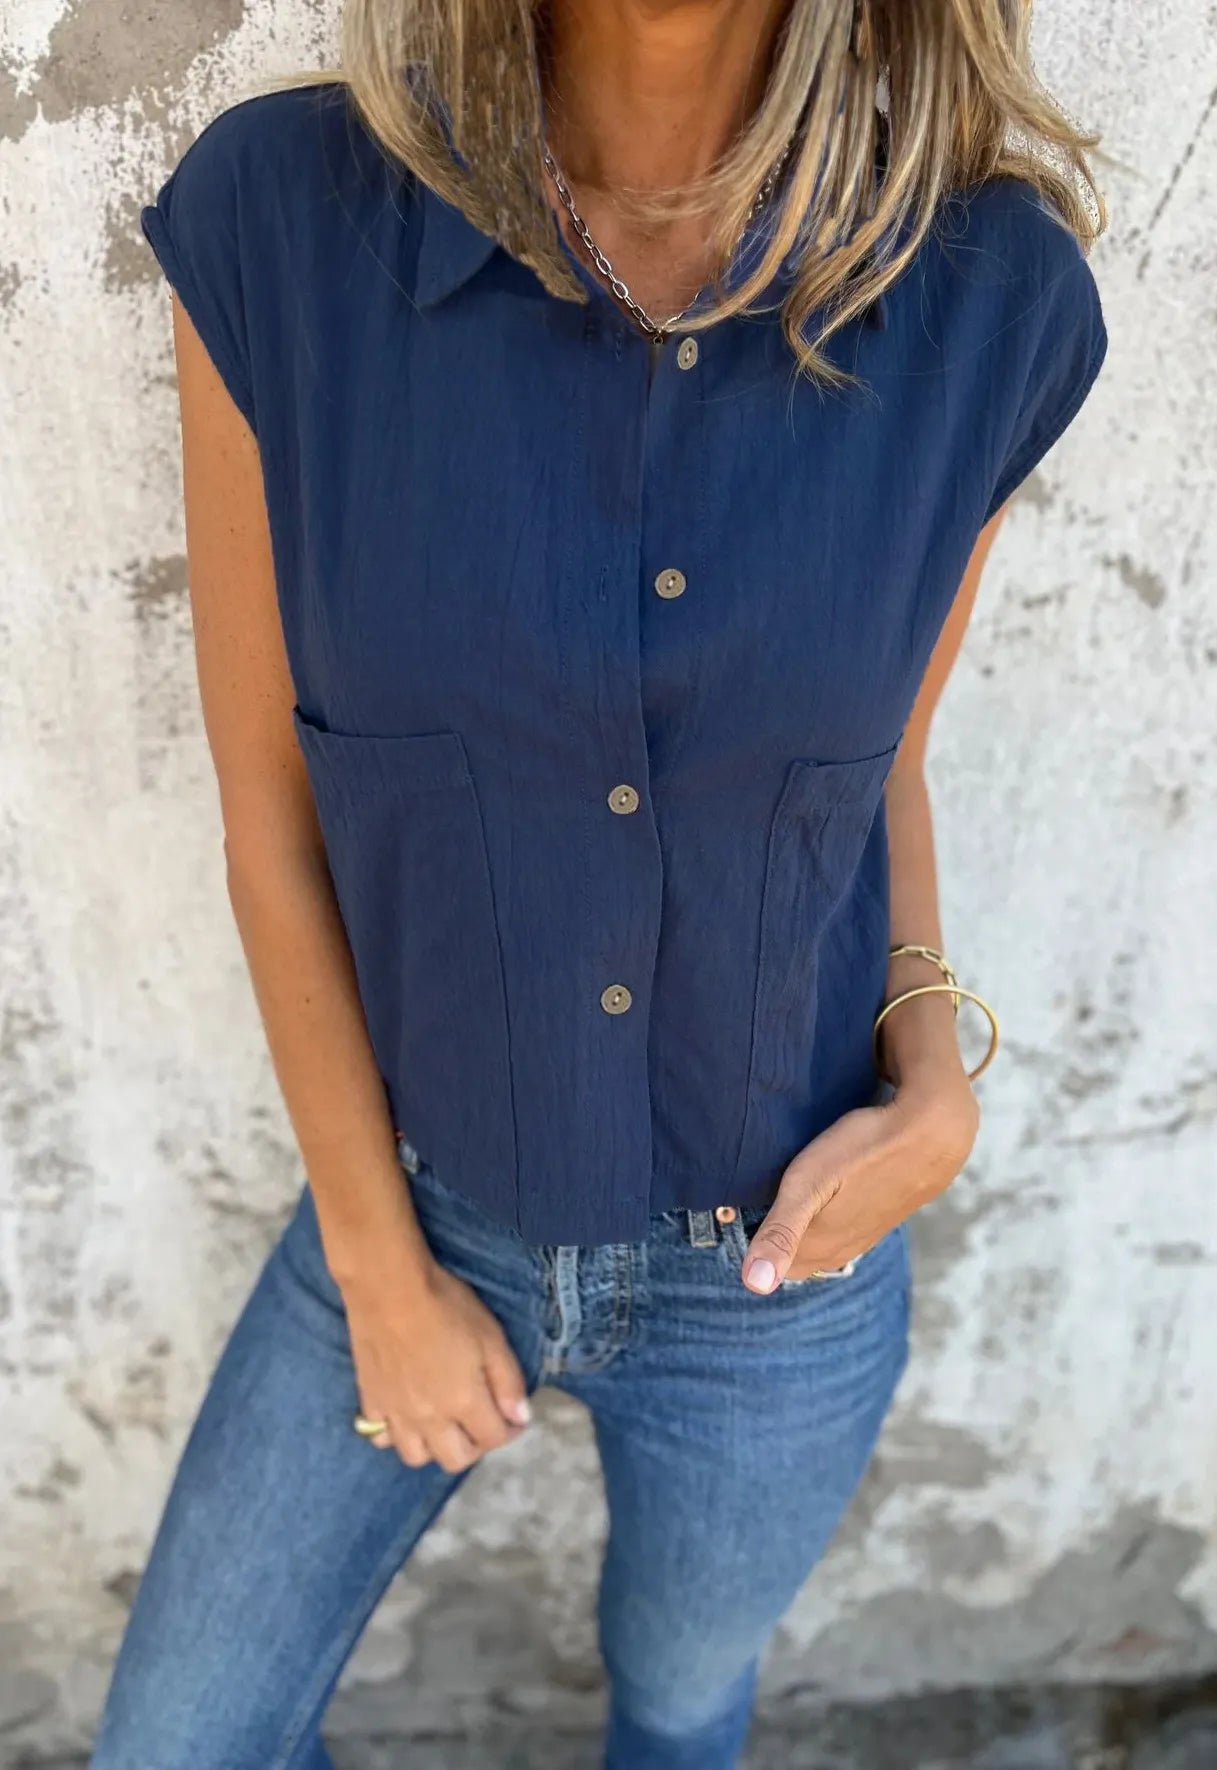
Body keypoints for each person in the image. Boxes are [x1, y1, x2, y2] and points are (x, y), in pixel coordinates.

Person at [90, 1, 1109, 1764]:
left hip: (777, 1264)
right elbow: (271, 810)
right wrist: (380, 1268)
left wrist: (935, 1084)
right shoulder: (286, 223)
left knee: (683, 1708)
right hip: (413, 1202)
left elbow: (876, 773)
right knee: (181, 1742)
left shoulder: (990, 298)